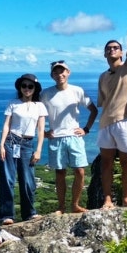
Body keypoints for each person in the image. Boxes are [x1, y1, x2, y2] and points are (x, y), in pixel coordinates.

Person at [97, 3, 127, 209]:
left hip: (126, 120)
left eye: (115, 48)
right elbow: (103, 102)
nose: (111, 50)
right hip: (107, 122)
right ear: (105, 55)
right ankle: (108, 199)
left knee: (126, 163)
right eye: (108, 49)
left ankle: (125, 199)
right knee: (106, 163)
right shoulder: (103, 77)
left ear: (122, 52)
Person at [42, 61, 98, 214]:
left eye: (62, 71)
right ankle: (61, 207)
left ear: (68, 72)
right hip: (56, 137)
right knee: (60, 173)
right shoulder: (45, 94)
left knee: (80, 171)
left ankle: (75, 204)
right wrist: (43, 132)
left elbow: (93, 110)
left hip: (74, 137)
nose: (59, 74)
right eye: (56, 72)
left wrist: (86, 129)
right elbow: (35, 113)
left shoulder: (77, 90)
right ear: (52, 75)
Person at [0, 73, 47, 225]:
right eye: (24, 86)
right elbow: (6, 124)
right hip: (11, 141)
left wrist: (38, 150)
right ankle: (6, 216)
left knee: (28, 180)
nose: (27, 89)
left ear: (35, 88)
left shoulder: (40, 106)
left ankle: (30, 213)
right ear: (20, 87)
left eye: (30, 86)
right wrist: (1, 144)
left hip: (27, 144)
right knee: (7, 179)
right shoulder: (13, 103)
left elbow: (41, 130)